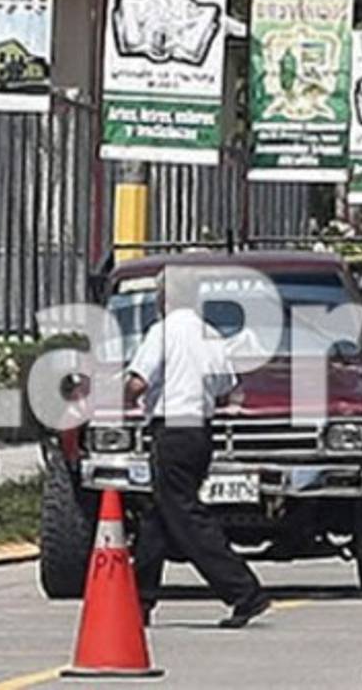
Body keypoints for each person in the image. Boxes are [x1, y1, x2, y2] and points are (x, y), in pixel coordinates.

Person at [126, 269, 270, 629]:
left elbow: (138, 382)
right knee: (156, 517)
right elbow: (225, 387)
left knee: (186, 517)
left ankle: (243, 591)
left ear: (165, 298)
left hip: (171, 430)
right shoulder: (212, 334)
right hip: (201, 432)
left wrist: (115, 396)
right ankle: (139, 601)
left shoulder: (162, 332)